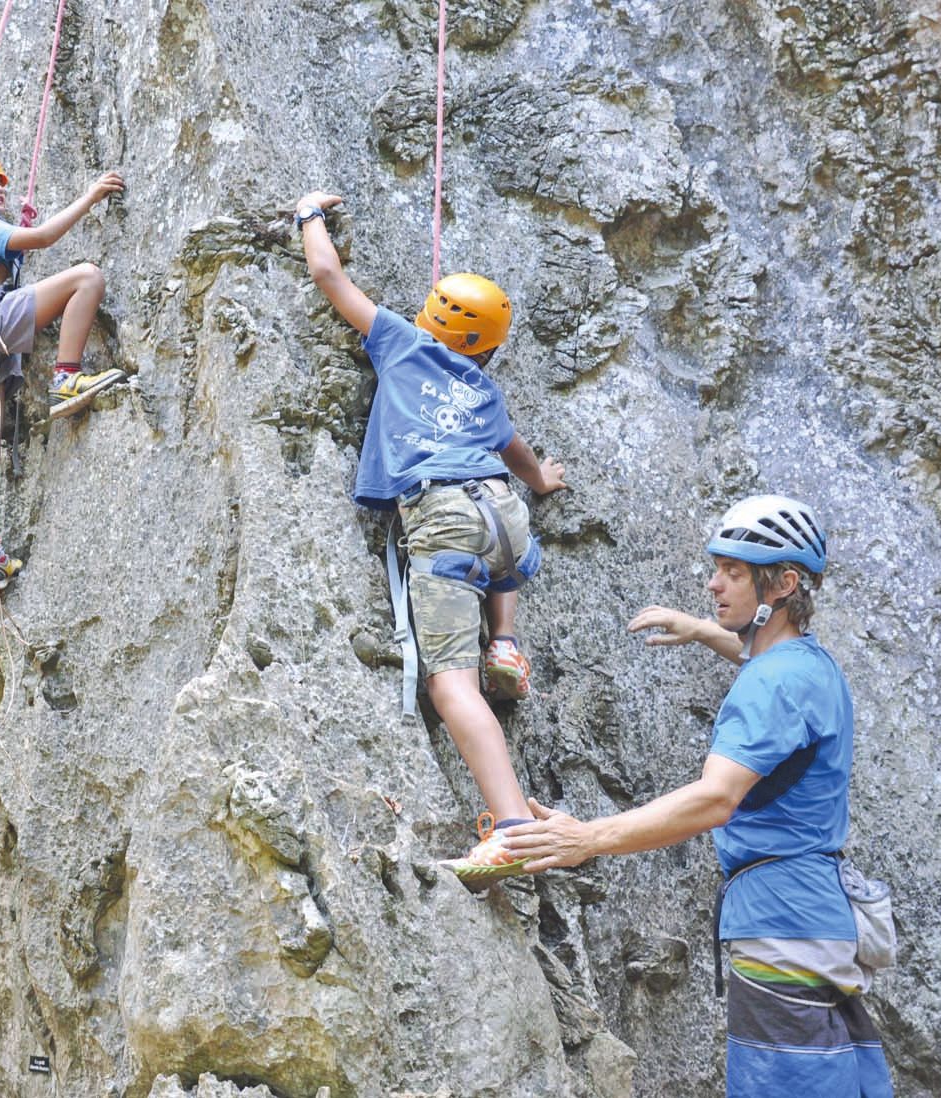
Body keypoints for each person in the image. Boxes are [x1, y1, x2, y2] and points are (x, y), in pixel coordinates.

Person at [503, 494, 893, 1096]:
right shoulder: (811, 666)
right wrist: (705, 631)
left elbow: (716, 799)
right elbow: (757, 654)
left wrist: (587, 838)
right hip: (821, 918)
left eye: (734, 572)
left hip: (781, 926)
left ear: (784, 583)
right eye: (716, 567)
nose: (714, 583)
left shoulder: (773, 684)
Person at [292, 190, 568, 883]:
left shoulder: (401, 340)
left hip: (441, 514)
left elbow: (330, 277)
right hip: (502, 507)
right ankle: (504, 641)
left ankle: (510, 828)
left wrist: (308, 217)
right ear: (491, 343)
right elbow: (520, 454)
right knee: (502, 560)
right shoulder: (483, 387)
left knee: (452, 688)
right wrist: (544, 483)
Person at [0, 149, 127, 592]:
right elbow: (41, 238)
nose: (0, 188)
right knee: (88, 277)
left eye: (1, 182)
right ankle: (66, 377)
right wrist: (91, 196)